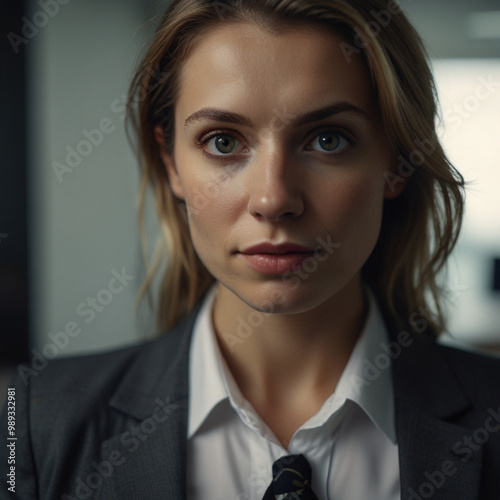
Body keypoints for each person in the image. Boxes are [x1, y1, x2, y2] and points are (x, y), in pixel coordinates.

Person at [2, 0, 500, 499]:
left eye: (328, 139)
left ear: (397, 163)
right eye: (222, 142)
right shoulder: (30, 420)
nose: (273, 198)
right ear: (171, 162)